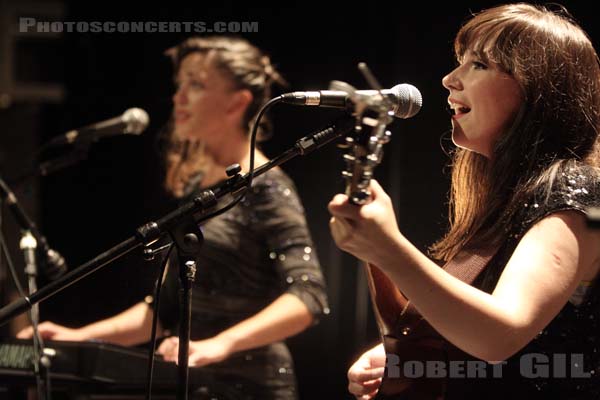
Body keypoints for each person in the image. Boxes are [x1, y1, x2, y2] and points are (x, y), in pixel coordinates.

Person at [18, 35, 329, 400]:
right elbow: (163, 313)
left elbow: (309, 296)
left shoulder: (267, 185)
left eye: (196, 85)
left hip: (250, 387)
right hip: (191, 384)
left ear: (238, 102)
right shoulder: (201, 186)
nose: (179, 97)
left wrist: (220, 344)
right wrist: (79, 336)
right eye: (179, 84)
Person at [328, 3, 600, 400]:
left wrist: (389, 250)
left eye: (479, 65)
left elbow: (499, 335)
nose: (449, 79)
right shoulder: (506, 200)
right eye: (460, 62)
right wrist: (413, 355)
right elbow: (474, 335)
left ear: (536, 88)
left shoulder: (577, 190)